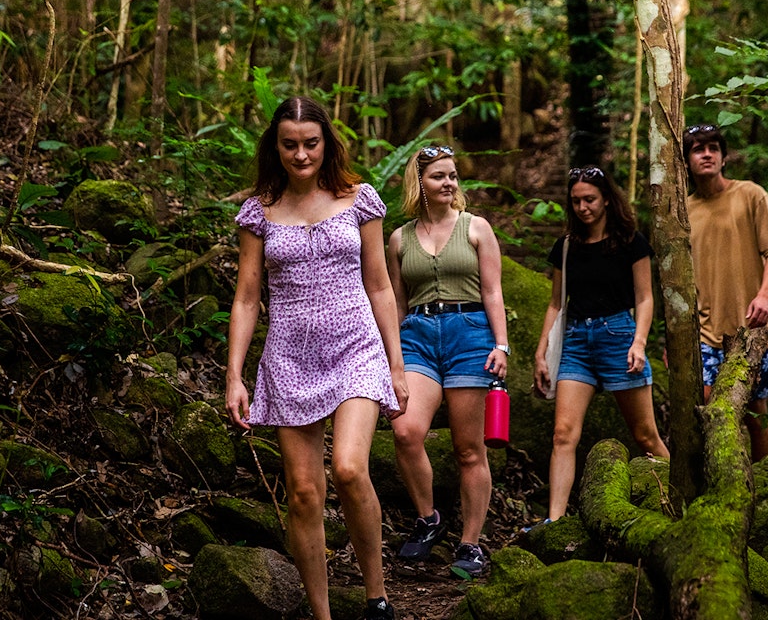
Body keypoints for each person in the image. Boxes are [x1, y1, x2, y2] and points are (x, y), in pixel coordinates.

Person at [225, 96, 409, 620]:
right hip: (288, 355)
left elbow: (379, 286)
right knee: (304, 492)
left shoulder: (359, 199)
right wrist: (235, 374)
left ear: (326, 143)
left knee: (349, 469)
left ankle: (377, 597)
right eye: (290, 144)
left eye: (310, 143)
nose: (301, 154)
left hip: (356, 347)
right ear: (275, 146)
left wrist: (396, 367)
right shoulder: (258, 211)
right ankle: (321, 612)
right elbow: (246, 296)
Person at [385, 144, 508, 578]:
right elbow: (395, 301)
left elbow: (492, 291)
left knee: (468, 449)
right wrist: (391, 357)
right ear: (419, 182)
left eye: (453, 175)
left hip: (470, 337)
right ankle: (428, 518)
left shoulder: (476, 228)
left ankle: (470, 544)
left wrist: (502, 345)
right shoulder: (398, 238)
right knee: (405, 430)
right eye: (440, 176)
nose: (450, 183)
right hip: (416, 337)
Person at [533, 166, 669, 523]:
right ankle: (555, 520)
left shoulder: (630, 242)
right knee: (563, 433)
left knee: (645, 435)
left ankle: (679, 505)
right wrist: (541, 352)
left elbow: (644, 298)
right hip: (577, 342)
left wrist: (639, 343)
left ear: (607, 199)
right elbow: (555, 302)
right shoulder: (566, 246)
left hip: (618, 337)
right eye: (576, 201)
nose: (582, 207)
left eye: (589, 199)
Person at [683, 123, 768, 461]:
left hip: (752, 327)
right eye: (698, 149)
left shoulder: (751, 195)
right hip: (704, 329)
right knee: (709, 407)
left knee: (756, 410)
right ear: (686, 160)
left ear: (724, 157)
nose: (707, 154)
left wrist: (764, 296)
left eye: (713, 147)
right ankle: (722, 486)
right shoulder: (683, 210)